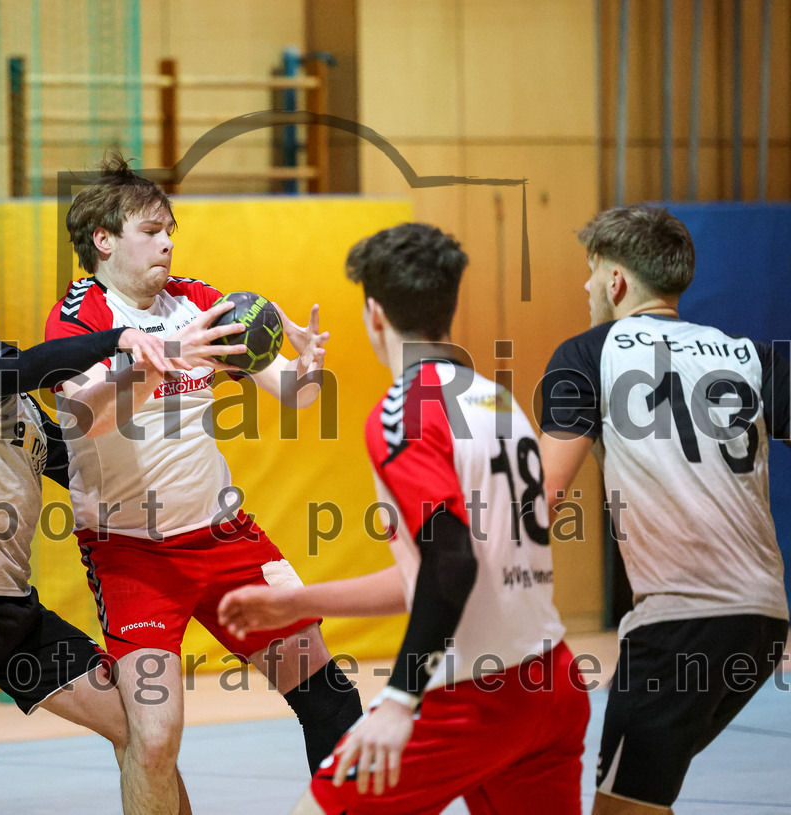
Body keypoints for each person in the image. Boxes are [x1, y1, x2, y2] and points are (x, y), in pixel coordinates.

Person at [219, 223, 590, 815]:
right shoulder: (496, 399)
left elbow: (451, 563)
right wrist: (300, 603)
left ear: (373, 313)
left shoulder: (403, 412)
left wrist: (398, 698)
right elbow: (443, 570)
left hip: (474, 695)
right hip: (551, 681)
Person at [44, 154, 363, 815]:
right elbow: (82, 416)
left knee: (330, 695)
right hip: (132, 553)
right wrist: (162, 363)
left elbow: (291, 394)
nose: (166, 242)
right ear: (103, 238)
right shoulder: (77, 316)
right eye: (151, 229)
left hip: (225, 541)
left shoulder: (196, 301)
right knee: (155, 740)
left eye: (171, 230)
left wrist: (306, 370)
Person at [0, 256, 232, 814]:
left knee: (143, 736)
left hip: (15, 612)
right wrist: (123, 336)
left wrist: (178, 427)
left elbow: (90, 461)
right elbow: (36, 364)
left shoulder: (17, 404)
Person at [538, 205, 790, 815]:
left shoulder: (587, 355)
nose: (585, 287)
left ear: (616, 282)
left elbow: (543, 497)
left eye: (591, 272)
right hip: (765, 619)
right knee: (643, 797)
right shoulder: (749, 356)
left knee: (622, 808)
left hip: (681, 620)